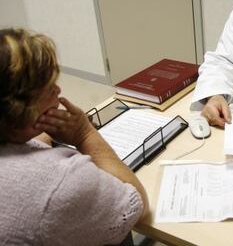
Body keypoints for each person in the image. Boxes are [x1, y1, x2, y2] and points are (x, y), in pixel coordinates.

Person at [0, 28, 149, 245]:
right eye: (49, 88)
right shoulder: (61, 181)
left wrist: (35, 134)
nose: (59, 90)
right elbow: (137, 205)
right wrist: (84, 134)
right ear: (21, 107)